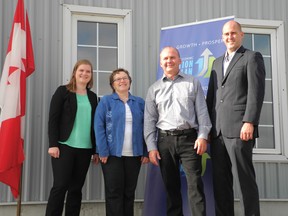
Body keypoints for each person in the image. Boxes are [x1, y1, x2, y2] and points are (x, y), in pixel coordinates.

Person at [206, 20, 266, 216]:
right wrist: (207, 130)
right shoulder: (215, 63)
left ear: (242, 35)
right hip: (217, 132)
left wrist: (249, 121)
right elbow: (212, 98)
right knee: (221, 183)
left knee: (244, 180)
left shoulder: (251, 57)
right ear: (222, 38)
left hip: (240, 129)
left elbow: (256, 93)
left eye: (233, 33)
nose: (229, 37)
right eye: (226, 34)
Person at [144, 46, 212, 216]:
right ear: (161, 63)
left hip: (190, 140)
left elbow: (202, 112)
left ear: (180, 60)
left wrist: (203, 136)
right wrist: (151, 147)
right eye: (165, 59)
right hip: (164, 142)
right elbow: (150, 121)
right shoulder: (154, 89)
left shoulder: (192, 82)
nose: (169, 61)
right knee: (170, 187)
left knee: (195, 185)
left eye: (173, 57)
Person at [46, 59, 99, 216]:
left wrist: (95, 150)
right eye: (81, 70)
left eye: (88, 71)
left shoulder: (93, 97)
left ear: (91, 75)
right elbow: (53, 120)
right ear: (75, 73)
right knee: (60, 186)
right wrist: (53, 144)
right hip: (63, 147)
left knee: (76, 189)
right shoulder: (63, 91)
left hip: (85, 149)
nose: (84, 73)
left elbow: (95, 125)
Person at [94, 68, 149, 216]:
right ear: (113, 84)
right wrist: (102, 150)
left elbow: (147, 127)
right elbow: (99, 126)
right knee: (114, 193)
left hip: (134, 155)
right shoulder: (106, 101)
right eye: (117, 79)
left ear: (130, 82)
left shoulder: (139, 102)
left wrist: (145, 151)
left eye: (125, 78)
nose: (122, 81)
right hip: (112, 155)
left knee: (129, 193)